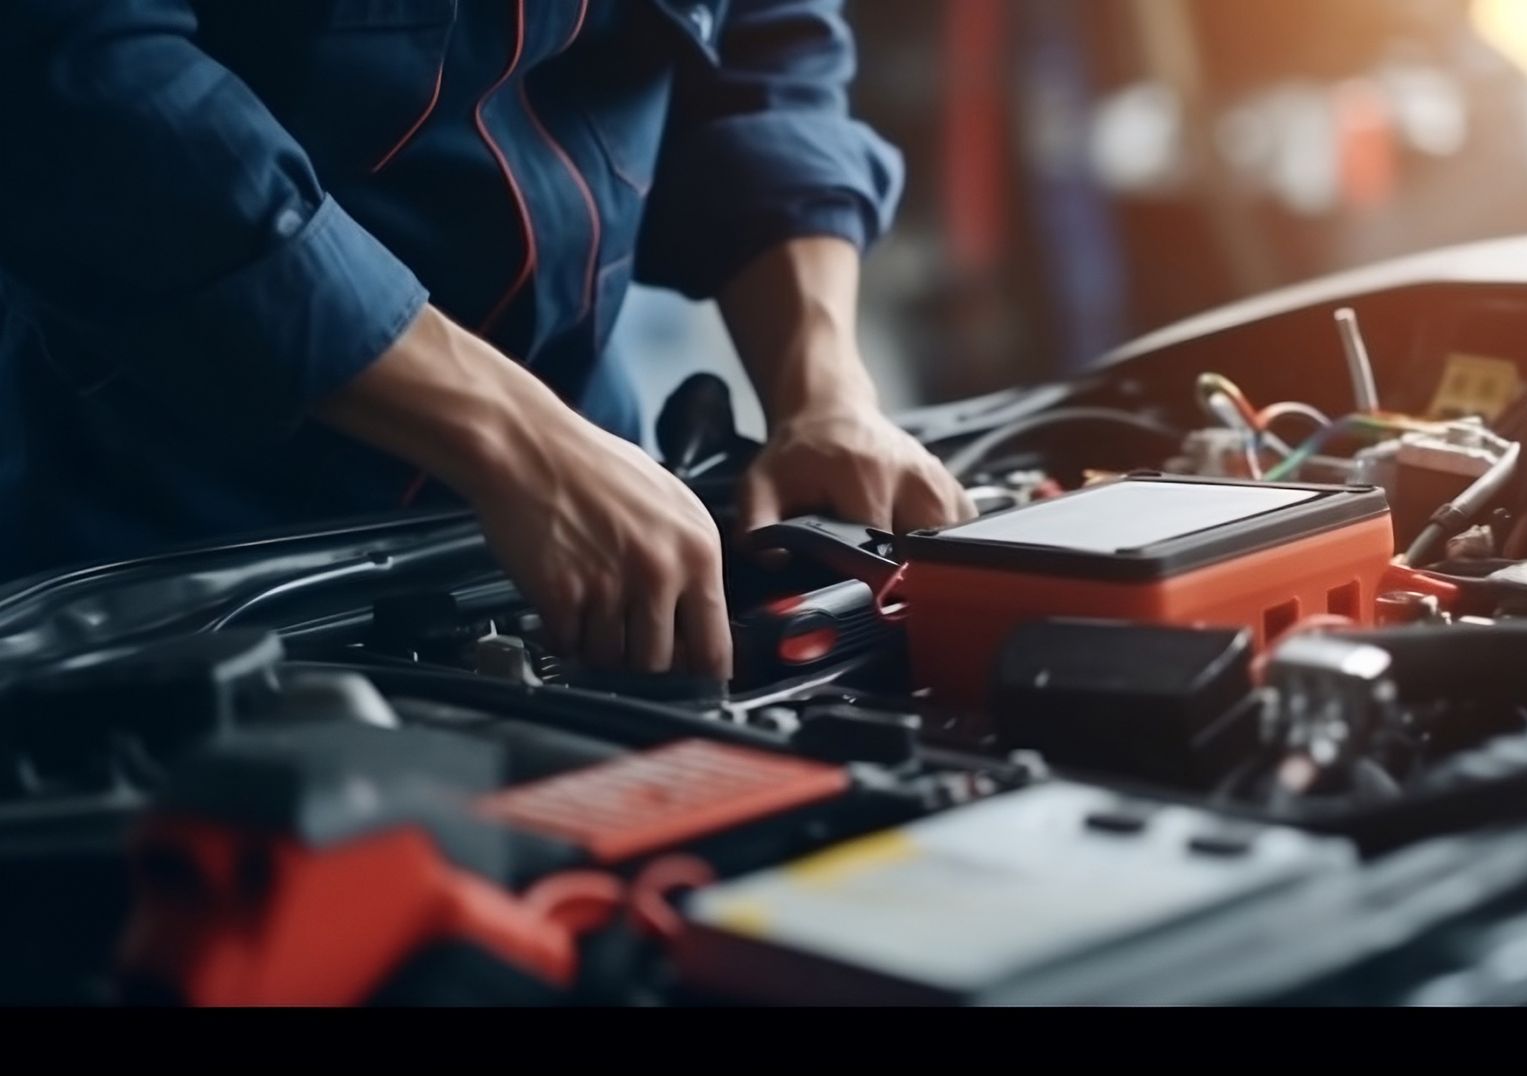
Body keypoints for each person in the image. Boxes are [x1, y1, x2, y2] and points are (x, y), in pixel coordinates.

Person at [0, 0, 976, 681]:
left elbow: (762, 54)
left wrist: (825, 395)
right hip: (134, 543)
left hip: (586, 497)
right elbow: (79, 79)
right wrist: (517, 443)